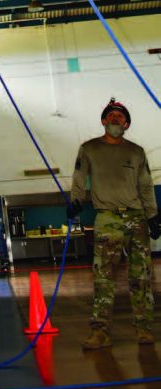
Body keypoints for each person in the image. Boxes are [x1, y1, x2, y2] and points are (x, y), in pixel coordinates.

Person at [68, 98, 161, 349]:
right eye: (111, 116)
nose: (115, 120)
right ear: (103, 121)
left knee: (141, 276)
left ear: (127, 123)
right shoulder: (89, 149)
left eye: (120, 117)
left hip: (136, 218)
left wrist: (152, 215)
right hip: (107, 218)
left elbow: (145, 185)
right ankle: (100, 332)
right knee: (103, 278)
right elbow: (79, 177)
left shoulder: (136, 151)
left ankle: (144, 329)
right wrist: (76, 200)